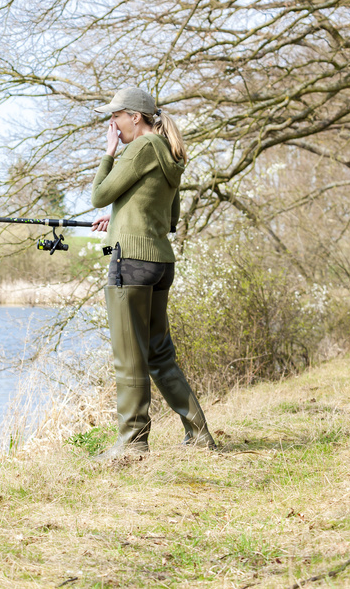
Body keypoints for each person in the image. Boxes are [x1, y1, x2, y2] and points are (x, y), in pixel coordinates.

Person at [90, 87, 215, 459]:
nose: (112, 123)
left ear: (136, 117)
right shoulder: (169, 155)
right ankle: (200, 435)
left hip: (129, 261)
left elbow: (99, 193)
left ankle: (132, 444)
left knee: (129, 357)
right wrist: (120, 216)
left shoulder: (141, 148)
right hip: (160, 263)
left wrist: (108, 153)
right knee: (160, 355)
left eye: (117, 116)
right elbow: (169, 218)